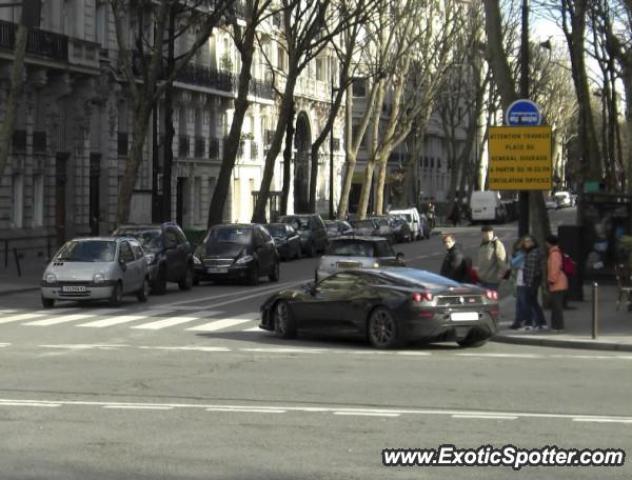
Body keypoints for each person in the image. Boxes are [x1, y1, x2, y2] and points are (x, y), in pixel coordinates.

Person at [522, 235, 547, 331]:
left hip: (531, 282)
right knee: (534, 303)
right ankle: (541, 323)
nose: (526, 243)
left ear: (533, 243)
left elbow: (531, 270)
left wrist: (528, 284)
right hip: (534, 282)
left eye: (528, 241)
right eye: (525, 241)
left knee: (529, 303)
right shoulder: (534, 252)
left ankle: (530, 323)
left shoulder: (533, 253)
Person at [546, 234, 568, 332]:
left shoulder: (554, 253)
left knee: (557, 306)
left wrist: (551, 280)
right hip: (559, 282)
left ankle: (558, 326)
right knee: (556, 306)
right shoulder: (555, 252)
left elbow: (554, 268)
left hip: (557, 283)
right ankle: (556, 326)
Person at [475, 225, 508, 291]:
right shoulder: (483, 244)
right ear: (482, 234)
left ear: (493, 233)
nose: (488, 235)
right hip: (482, 278)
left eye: (490, 233)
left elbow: (502, 261)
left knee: (491, 300)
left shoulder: (497, 244)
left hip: (492, 280)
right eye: (486, 233)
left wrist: (501, 275)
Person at [509, 238, 527, 330]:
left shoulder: (523, 254)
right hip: (519, 281)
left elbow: (513, 263)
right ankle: (518, 321)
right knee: (519, 303)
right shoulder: (519, 254)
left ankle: (522, 321)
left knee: (522, 303)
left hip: (523, 282)